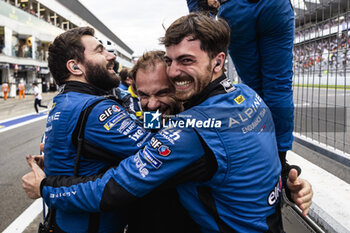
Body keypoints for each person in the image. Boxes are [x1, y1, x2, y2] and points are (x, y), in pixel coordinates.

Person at [22, 14, 313, 232]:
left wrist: (47, 186)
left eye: (185, 61)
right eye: (142, 95)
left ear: (218, 62)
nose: (175, 73)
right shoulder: (247, 95)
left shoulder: (188, 131)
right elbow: (254, 150)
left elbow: (113, 186)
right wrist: (288, 175)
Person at [186, 0, 295, 182]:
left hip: (235, 9)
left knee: (253, 91)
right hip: (274, 6)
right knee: (278, 85)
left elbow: (197, 8)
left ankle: (262, 153)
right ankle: (281, 160)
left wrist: (204, 13)